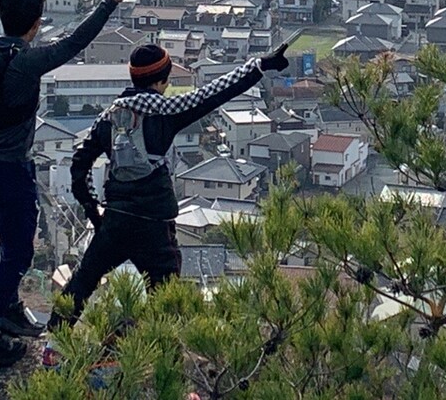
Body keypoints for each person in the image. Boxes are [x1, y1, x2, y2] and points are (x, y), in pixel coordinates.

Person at [0, 0, 135, 366]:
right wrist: (110, 0)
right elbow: (76, 41)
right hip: (9, 169)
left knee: (11, 241)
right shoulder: (26, 62)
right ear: (36, 23)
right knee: (19, 253)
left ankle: (6, 309)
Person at [54, 39, 293, 325]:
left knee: (83, 282)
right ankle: (158, 355)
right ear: (161, 80)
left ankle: (54, 344)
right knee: (164, 296)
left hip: (115, 220)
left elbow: (79, 164)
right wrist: (261, 65)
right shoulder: (167, 112)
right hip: (154, 224)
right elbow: (215, 92)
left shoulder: (110, 117)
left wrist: (94, 211)